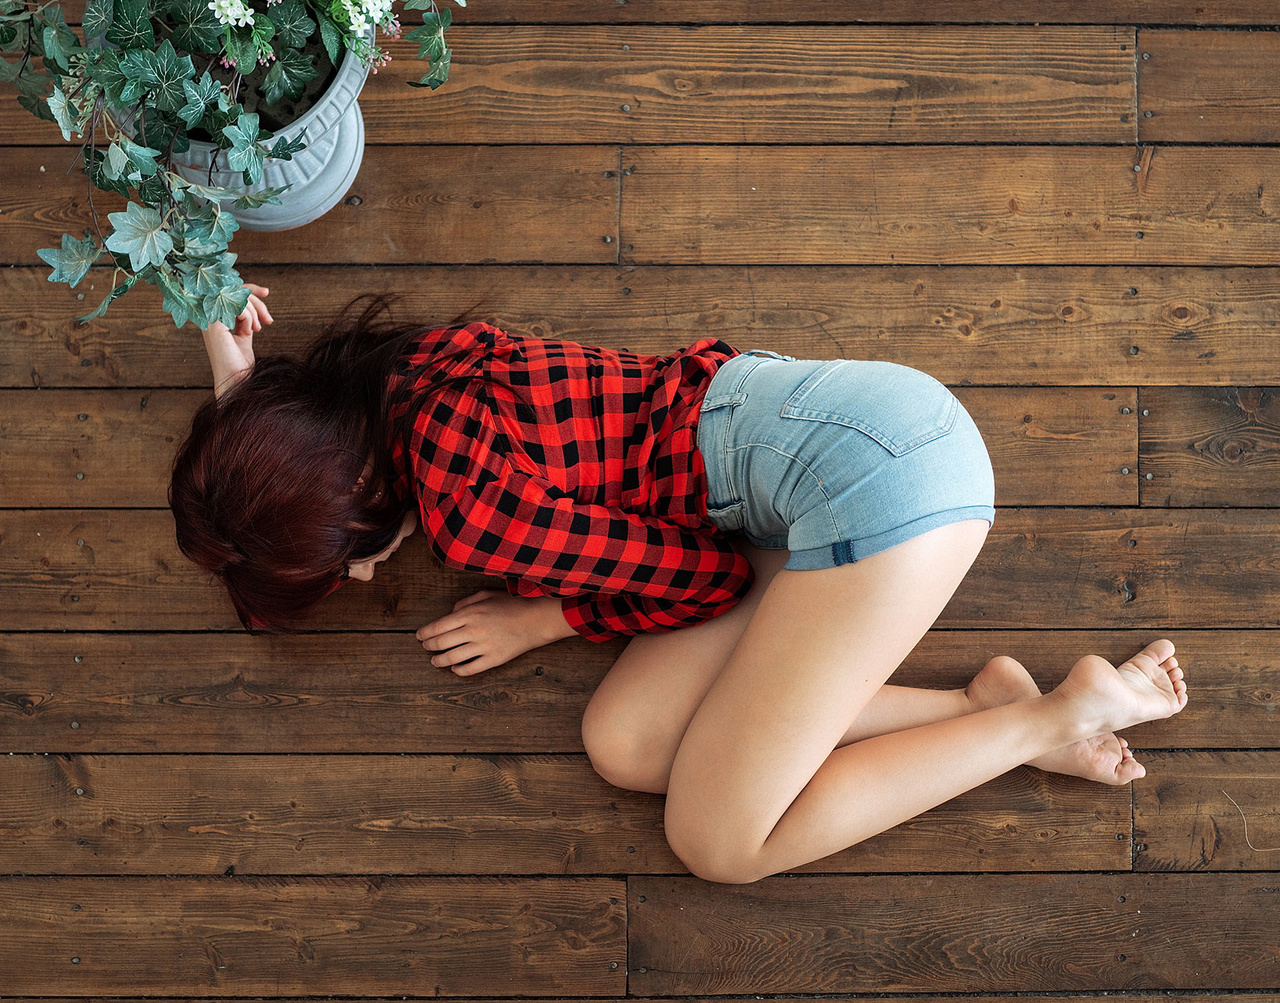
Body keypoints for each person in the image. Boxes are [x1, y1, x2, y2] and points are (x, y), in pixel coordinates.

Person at [171, 283, 1188, 885]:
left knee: (718, 839)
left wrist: (546, 618)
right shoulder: (406, 373)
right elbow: (302, 467)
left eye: (340, 549)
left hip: (883, 494)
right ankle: (975, 707)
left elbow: (697, 582)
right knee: (626, 742)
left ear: (346, 484)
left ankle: (1044, 723)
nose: (355, 567)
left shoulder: (467, 511)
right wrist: (242, 392)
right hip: (829, 446)